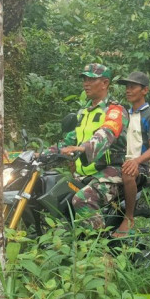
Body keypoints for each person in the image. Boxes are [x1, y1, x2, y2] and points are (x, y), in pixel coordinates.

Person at [56, 63, 129, 229]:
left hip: (110, 172)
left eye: (91, 79)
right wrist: (37, 154)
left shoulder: (115, 110)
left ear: (104, 83)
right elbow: (68, 141)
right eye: (84, 79)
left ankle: (99, 251)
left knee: (82, 199)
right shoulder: (84, 113)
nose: (85, 84)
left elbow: (106, 134)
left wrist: (83, 148)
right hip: (84, 174)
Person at [113, 71, 150, 237]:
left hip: (142, 165)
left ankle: (129, 217)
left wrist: (136, 162)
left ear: (145, 90)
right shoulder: (124, 114)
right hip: (121, 162)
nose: (128, 90)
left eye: (133, 87)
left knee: (128, 172)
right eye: (127, 87)